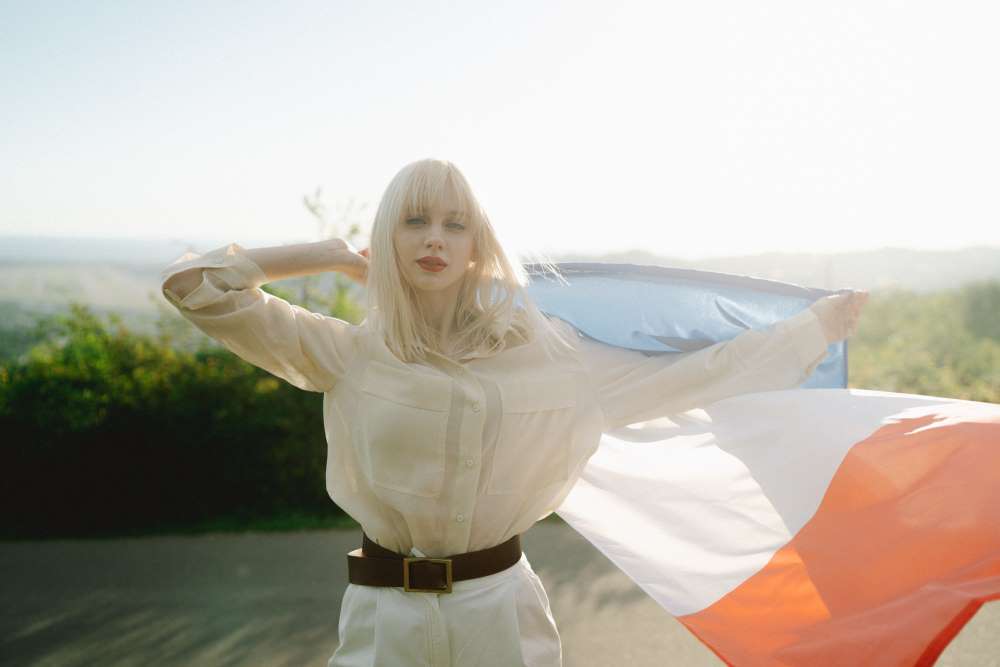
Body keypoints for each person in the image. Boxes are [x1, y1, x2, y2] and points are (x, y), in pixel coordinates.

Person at [160, 158, 868, 666]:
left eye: (453, 223)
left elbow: (692, 375)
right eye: (414, 221)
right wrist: (328, 254)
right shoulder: (347, 354)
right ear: (389, 236)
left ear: (476, 247)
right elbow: (196, 288)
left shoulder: (552, 361)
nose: (434, 237)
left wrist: (814, 329)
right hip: (381, 626)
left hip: (500, 620)